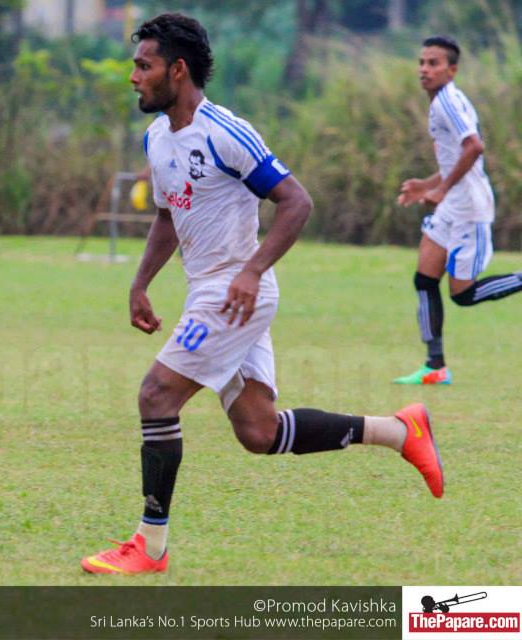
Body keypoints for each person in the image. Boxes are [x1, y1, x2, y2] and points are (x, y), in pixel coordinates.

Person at [80, 13, 444, 576]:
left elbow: (296, 201)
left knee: (156, 396)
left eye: (143, 66)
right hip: (211, 291)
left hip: (233, 292)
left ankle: (149, 547)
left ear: (177, 70)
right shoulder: (157, 138)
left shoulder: (225, 132)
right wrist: (140, 282)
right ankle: (398, 431)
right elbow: (168, 217)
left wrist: (251, 271)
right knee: (259, 431)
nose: (134, 77)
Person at [393, 36, 522, 385]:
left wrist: (441, 189)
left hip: (469, 207)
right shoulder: (442, 101)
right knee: (424, 280)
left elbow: (474, 147)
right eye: (422, 62)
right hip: (453, 204)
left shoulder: (448, 102)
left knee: (463, 294)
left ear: (452, 70)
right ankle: (435, 367)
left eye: (433, 63)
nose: (424, 69)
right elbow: (458, 158)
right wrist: (427, 184)